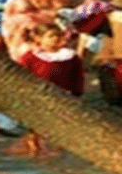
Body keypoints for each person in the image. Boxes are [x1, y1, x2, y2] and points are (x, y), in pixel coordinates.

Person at [16, 23, 84, 154]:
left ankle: (59, 151)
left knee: (62, 125)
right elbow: (21, 76)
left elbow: (77, 76)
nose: (55, 39)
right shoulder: (30, 57)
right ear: (39, 39)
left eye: (58, 35)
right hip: (37, 96)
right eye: (51, 36)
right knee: (35, 126)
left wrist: (77, 93)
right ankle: (34, 150)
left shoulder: (71, 56)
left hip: (63, 95)